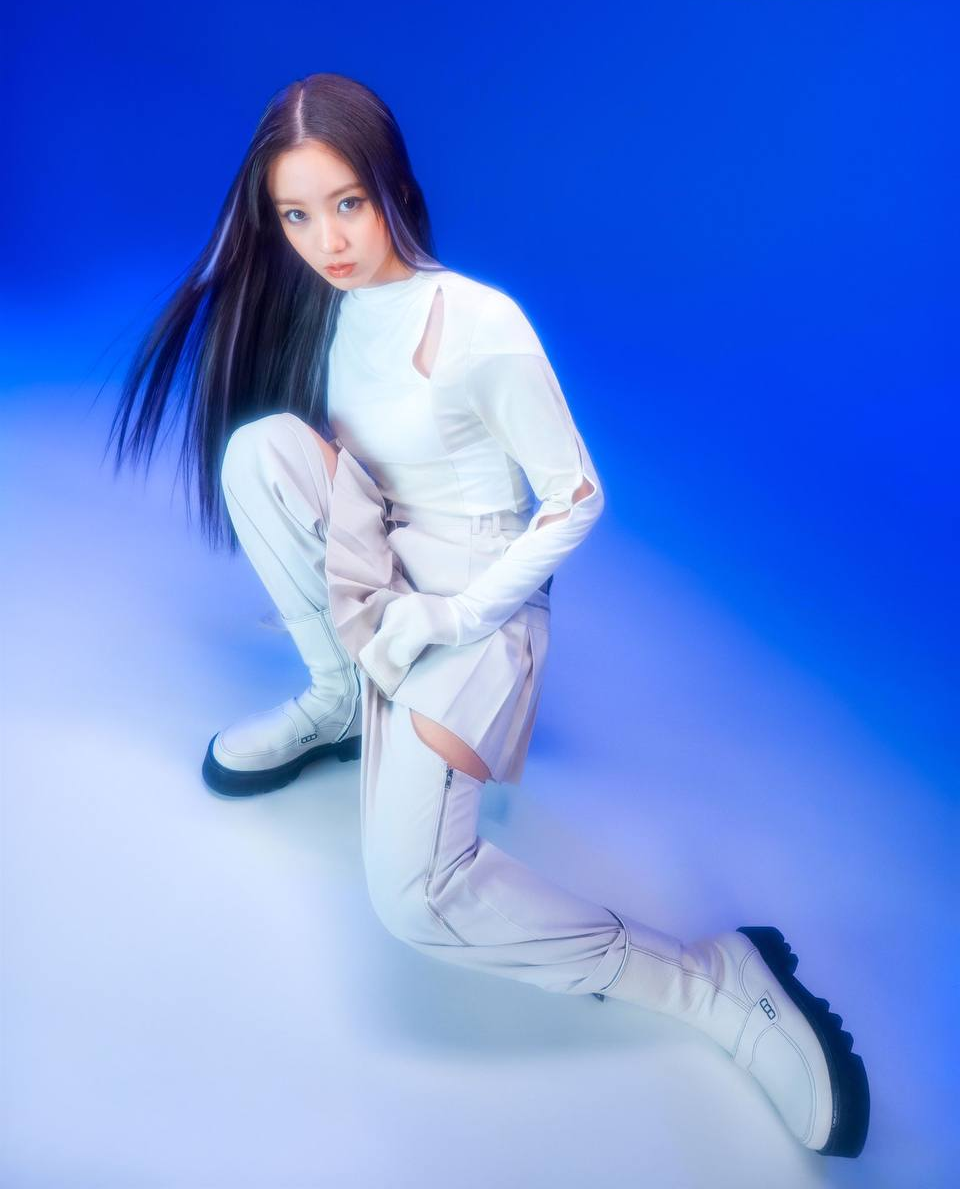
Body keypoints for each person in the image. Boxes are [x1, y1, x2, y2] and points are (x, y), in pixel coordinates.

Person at [105, 72, 869, 1158]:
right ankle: (339, 699)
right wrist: (380, 601)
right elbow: (354, 476)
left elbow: (577, 497)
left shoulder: (480, 323)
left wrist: (452, 613)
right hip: (392, 570)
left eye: (347, 203)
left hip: (479, 604)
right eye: (298, 214)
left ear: (392, 188)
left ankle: (711, 982)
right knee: (257, 452)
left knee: (417, 896)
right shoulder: (335, 313)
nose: (328, 241)